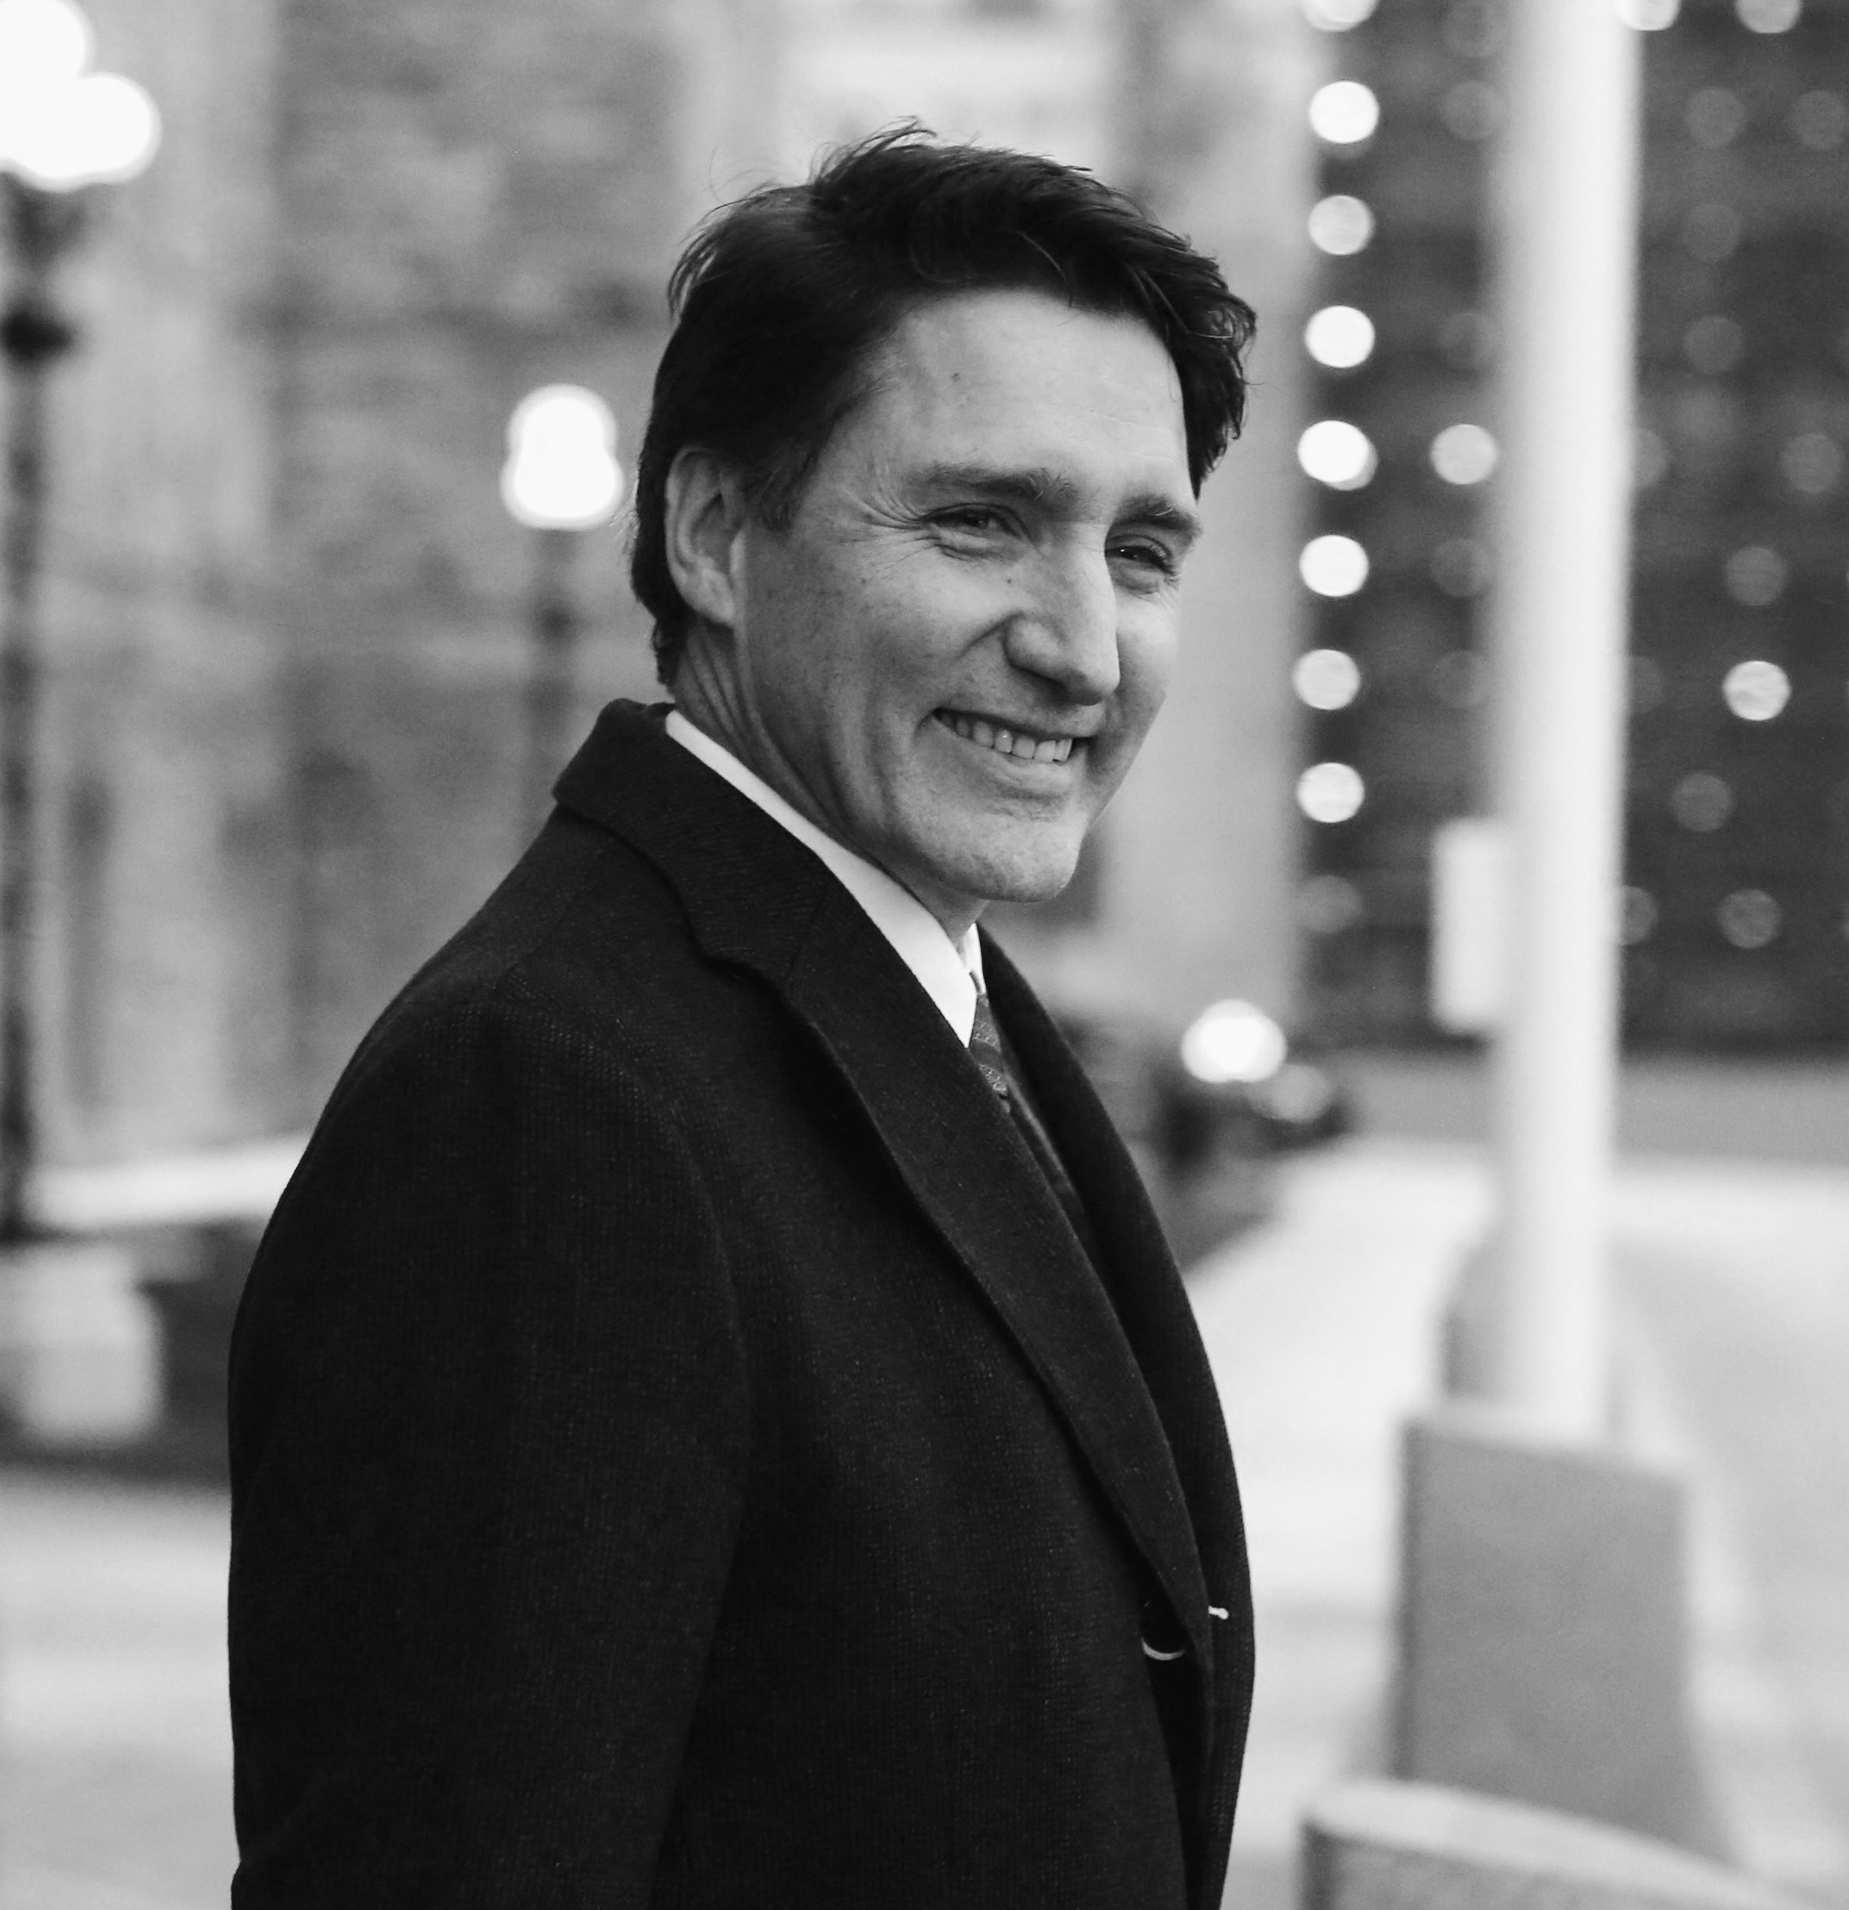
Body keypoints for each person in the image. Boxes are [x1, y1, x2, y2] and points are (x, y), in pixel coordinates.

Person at [226, 131, 1258, 1908]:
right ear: (713, 534)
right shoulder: (545, 1099)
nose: (1084, 648)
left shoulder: (933, 1001)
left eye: (1142, 549)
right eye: (980, 521)